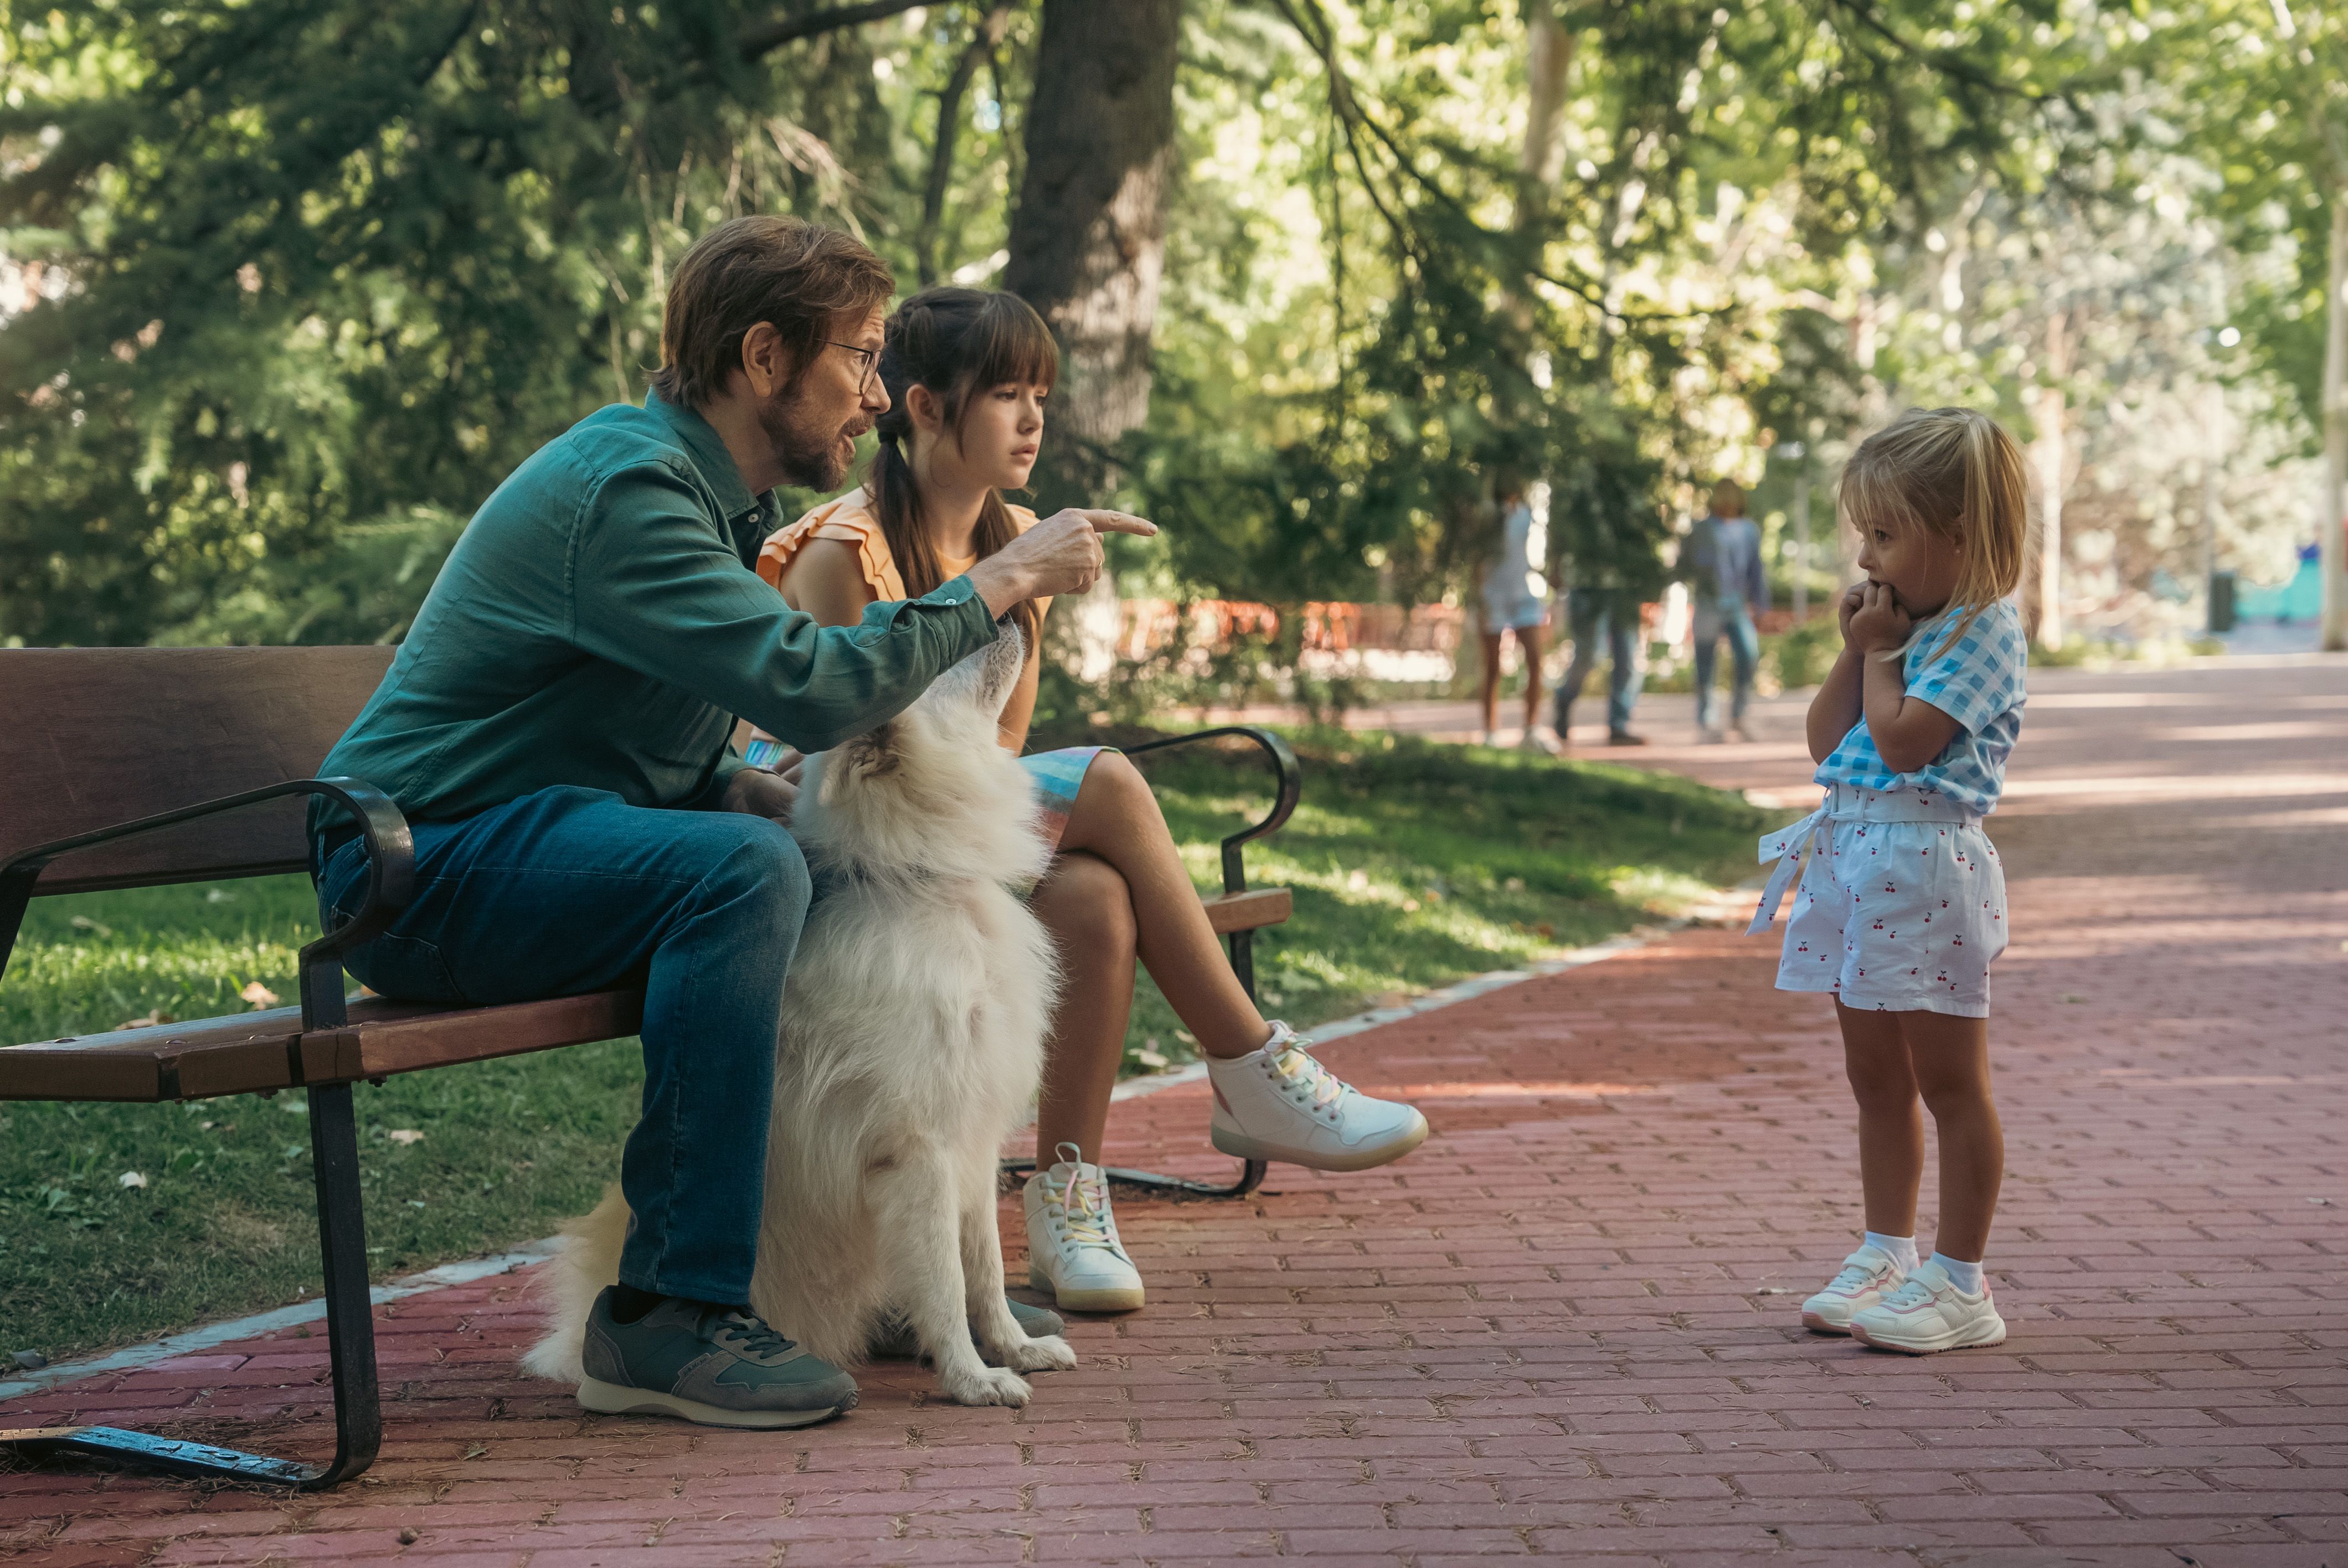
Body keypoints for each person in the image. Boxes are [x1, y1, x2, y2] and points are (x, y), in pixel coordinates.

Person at [308, 217, 1148, 1430]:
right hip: (414, 869)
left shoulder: (708, 503)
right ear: (763, 359)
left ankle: (898, 1268)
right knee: (748, 871)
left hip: (521, 837)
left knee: (793, 856)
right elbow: (811, 683)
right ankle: (671, 1312)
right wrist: (1000, 581)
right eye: (857, 359)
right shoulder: (630, 493)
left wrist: (768, 802)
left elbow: (660, 746)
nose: (871, 396)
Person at [757, 286, 1431, 1318]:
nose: (1034, 419)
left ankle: (1069, 1204)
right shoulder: (842, 555)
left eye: (1043, 394)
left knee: (1096, 901)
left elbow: (1002, 741)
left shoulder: (1016, 532)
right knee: (1109, 776)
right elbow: (835, 747)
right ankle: (1251, 1066)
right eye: (1008, 395)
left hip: (953, 838)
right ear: (928, 406)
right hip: (838, 852)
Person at [1748, 406, 2030, 1355]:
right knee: (1875, 1079)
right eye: (1864, 534)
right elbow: (1831, 743)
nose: (1867, 557)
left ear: (1958, 535)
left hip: (1927, 865)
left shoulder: (1983, 631)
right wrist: (1854, 646)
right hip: (1857, 862)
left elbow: (1907, 742)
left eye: (1886, 534)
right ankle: (1887, 1251)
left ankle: (1962, 1280)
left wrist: (1881, 653)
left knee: (1950, 1082)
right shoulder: (1902, 626)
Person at [1474, 478, 1559, 752]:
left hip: (1523, 595)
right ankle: (1490, 732)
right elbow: (1476, 558)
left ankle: (1531, 729)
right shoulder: (1487, 515)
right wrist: (1479, 599)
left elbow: (1537, 551)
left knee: (1536, 659)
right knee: (1493, 666)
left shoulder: (1527, 512)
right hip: (1493, 595)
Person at [1685, 478, 1768, 742]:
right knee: (1706, 662)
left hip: (1736, 604)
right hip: (1708, 603)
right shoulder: (1701, 529)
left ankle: (1739, 717)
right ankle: (1705, 722)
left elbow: (1756, 569)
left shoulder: (1748, 530)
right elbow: (1686, 563)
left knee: (1748, 655)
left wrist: (1760, 603)